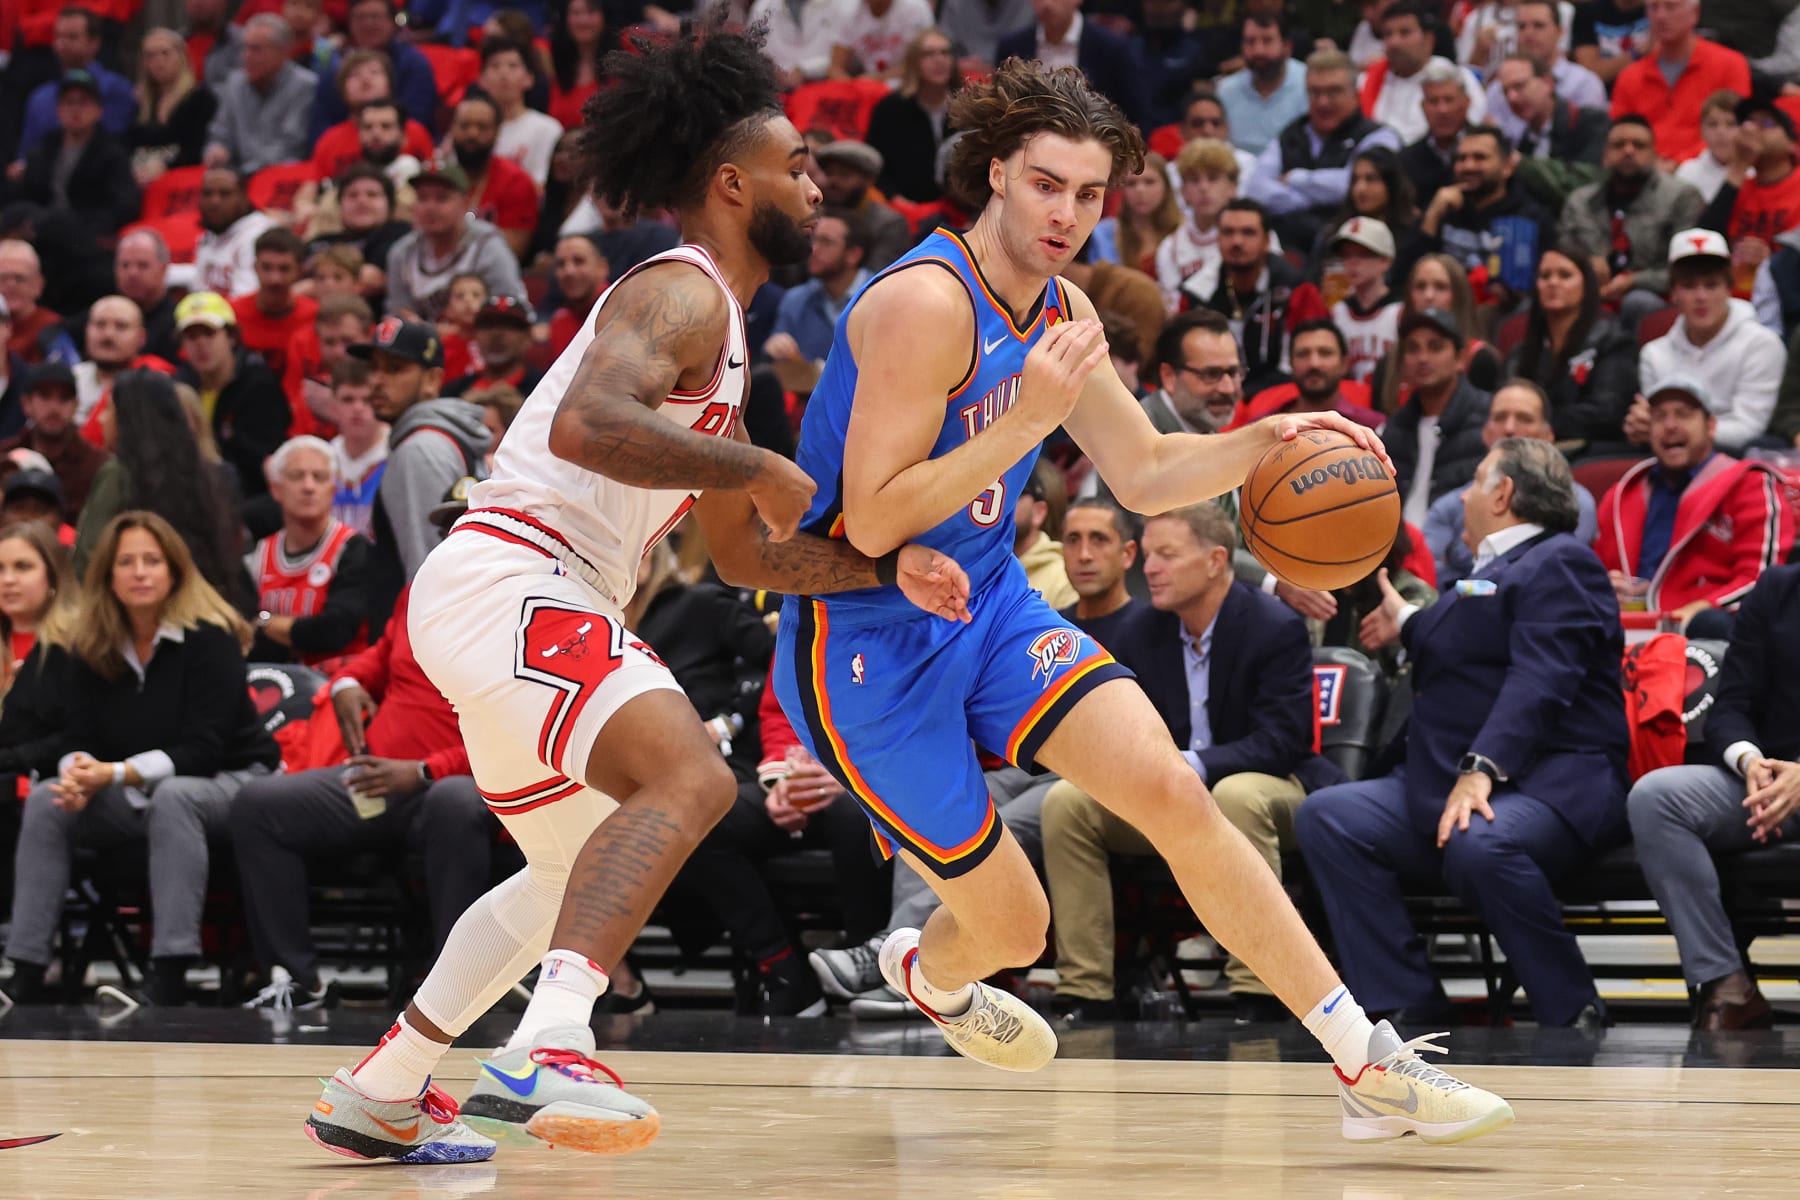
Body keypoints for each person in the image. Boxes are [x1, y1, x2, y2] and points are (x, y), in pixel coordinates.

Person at [776, 56, 1511, 1140]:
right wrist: (1027, 421)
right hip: (867, 646)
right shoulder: (921, 305)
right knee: (1014, 930)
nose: (1069, 213)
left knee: (1171, 788)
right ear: (993, 174)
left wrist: (1270, 435)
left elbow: (1147, 473)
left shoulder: (1062, 304)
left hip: (985, 606)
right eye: (1046, 185)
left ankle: (1367, 1064)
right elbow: (876, 521)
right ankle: (926, 972)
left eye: (1089, 193)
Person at [305, 18, 975, 1164]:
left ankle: (387, 1082)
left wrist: (883, 567)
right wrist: (761, 464)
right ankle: (549, 1045)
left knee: (574, 864)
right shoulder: (683, 290)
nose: (815, 183)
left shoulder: (726, 342)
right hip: (517, 572)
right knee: (690, 775)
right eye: (796, 165)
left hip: (517, 596)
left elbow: (745, 558)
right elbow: (587, 424)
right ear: (731, 182)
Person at [1300, 437, 1627, 1031]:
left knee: (1481, 845)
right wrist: (1406, 620)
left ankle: (1571, 1008)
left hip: (1550, 777)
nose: (1464, 495)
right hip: (1447, 776)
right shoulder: (1487, 568)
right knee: (1330, 816)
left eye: (1477, 481)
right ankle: (1406, 1001)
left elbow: (1541, 678)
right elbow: (1467, 634)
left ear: (1504, 494)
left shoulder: (1562, 561)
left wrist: (1482, 767)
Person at [1042, 502, 1345, 1024]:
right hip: (1181, 794)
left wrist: (1193, 764)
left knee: (1236, 796)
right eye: (1149, 555)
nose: (1149, 567)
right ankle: (1086, 990)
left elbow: (1282, 741)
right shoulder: (1143, 630)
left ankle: (1259, 989)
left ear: (1214, 561)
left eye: (1167, 555)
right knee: (1068, 803)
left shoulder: (1273, 625)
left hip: (1278, 788)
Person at [3, 510, 279, 1006]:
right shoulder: (93, 645)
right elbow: (78, 736)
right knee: (48, 799)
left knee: (175, 798)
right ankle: (24, 972)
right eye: (126, 561)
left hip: (233, 780)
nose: (139, 571)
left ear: (174, 570)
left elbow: (203, 750)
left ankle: (169, 972)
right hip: (134, 788)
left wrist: (110, 773)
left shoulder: (207, 637)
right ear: (107, 575)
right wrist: (76, 773)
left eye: (152, 560)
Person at [233, 581, 502, 1011]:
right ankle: (297, 981)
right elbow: (380, 655)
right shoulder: (420, 589)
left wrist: (424, 771)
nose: (457, 534)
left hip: (459, 784)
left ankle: (455, 988)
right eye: (450, 525)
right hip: (376, 780)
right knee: (260, 804)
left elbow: (520, 737)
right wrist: (346, 683)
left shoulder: (522, 603)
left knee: (455, 801)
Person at [1627, 563, 1800, 1030]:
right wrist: (1750, 762)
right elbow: (1732, 706)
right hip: (1765, 785)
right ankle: (1727, 982)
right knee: (1657, 797)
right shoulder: (1778, 588)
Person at [1594, 376, 1793, 632]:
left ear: (1710, 426)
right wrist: (1605, 587)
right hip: (1626, 631)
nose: (1670, 426)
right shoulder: (1623, 493)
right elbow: (1594, 570)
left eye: (1683, 414)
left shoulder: (1750, 485)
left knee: (1711, 624)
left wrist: (1697, 610)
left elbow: (1762, 583)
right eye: (1659, 416)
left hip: (1709, 637)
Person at [74, 370, 246, 609]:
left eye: (108, 409)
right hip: (200, 607)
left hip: (130, 615)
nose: (102, 420)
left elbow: (89, 558)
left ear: (128, 418)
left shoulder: (118, 473)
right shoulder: (209, 474)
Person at [1422, 379, 1599, 589]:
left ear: (1548, 436)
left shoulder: (1576, 501)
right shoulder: (1450, 505)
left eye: (1524, 418)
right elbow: (1426, 578)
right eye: (1500, 417)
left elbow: (1551, 576)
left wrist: (1462, 581)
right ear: (1485, 433)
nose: (1509, 428)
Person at [1637, 230, 1787, 453]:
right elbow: (1656, 423)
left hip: (1736, 461)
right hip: (1672, 458)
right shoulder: (1653, 354)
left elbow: (1750, 427)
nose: (1701, 297)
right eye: (1688, 286)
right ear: (1674, 293)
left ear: (1729, 289)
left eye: (1711, 285)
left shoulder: (1763, 344)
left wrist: (1669, 429)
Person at [1558, 115, 1706, 331]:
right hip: (1592, 291)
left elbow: (1688, 268)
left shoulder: (1681, 196)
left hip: (1654, 295)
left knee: (1637, 302)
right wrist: (1584, 264)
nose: (1628, 151)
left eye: (1639, 145)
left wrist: (1635, 280)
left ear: (1654, 154)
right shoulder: (1580, 201)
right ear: (1605, 155)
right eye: (1618, 145)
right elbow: (1561, 257)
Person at [1247, 49, 1401, 250]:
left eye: (1333, 92)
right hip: (1284, 246)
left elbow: (1353, 185)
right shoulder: (1291, 135)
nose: (1323, 102)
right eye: (1315, 92)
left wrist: (1295, 179)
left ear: (1355, 94)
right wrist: (1309, 199)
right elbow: (1256, 189)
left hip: (1349, 247)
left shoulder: (1378, 136)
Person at [247, 435, 371, 667]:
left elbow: (335, 630)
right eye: (296, 476)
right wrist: (306, 634)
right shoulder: (257, 555)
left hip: (338, 685)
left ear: (333, 489)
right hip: (272, 683)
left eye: (319, 477)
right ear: (276, 489)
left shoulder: (354, 550)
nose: (308, 486)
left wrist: (265, 623)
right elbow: (244, 635)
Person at [1504, 245, 1640, 448]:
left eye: (1565, 275)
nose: (1553, 282)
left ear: (1586, 285)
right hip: (1526, 450)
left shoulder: (1613, 342)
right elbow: (1502, 405)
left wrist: (1537, 422)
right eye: (1545, 276)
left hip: (1589, 451)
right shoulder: (1521, 353)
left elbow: (1608, 412)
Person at [167, 291, 291, 498]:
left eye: (209, 333)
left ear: (232, 337)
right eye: (191, 336)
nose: (200, 344)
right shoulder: (178, 387)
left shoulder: (259, 387)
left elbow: (258, 465)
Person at [1197, 198, 1327, 395]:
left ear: (1267, 241)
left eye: (1248, 232)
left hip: (1279, 394)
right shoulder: (1197, 291)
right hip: (1213, 392)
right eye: (1228, 232)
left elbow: (1308, 357)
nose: (1237, 241)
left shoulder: (1297, 288)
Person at [1387, 307, 1494, 529]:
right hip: (1400, 548)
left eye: (1435, 347)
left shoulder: (1490, 418)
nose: (1422, 358)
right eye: (1413, 349)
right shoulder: (1395, 427)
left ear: (1461, 358)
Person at [1422, 126, 1557, 302]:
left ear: (1507, 167)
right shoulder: (1443, 207)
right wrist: (1431, 216)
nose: (1468, 166)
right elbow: (1406, 275)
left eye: (1480, 157)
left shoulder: (1532, 218)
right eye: (1461, 158)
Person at [384, 158, 528, 323]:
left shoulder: (487, 245)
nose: (430, 207)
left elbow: (511, 312)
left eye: (441, 198)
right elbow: (397, 315)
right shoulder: (402, 252)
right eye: (422, 198)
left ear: (465, 202)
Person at [1609, 0, 1750, 165]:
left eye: (1671, 6)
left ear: (1695, 13)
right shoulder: (1630, 76)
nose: (1661, 16)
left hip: (1710, 168)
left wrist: (1679, 163)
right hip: (1645, 173)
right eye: (1654, 7)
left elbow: (1737, 129)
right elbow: (1618, 135)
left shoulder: (1730, 65)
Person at [13, 70, 142, 238]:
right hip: (42, 234)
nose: (75, 109)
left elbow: (123, 207)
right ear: (58, 110)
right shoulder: (41, 151)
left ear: (99, 110)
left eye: (84, 102)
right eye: (69, 102)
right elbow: (26, 197)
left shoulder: (113, 154)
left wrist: (84, 227)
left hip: (87, 239)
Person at [993, 0, 1151, 129]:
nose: (1047, 4)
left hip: (1094, 142)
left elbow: (1134, 114)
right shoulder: (1012, 46)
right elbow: (1002, 107)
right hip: (1028, 139)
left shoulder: (1113, 48)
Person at [1699, 96, 1800, 295]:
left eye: (1766, 123)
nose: (1752, 130)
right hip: (1730, 302)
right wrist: (1739, 166)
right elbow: (1702, 246)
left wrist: (1773, 262)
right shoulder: (1738, 185)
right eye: (1748, 122)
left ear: (1792, 143)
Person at [12, 7, 137, 163]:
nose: (62, 44)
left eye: (72, 37)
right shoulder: (40, 97)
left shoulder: (117, 89)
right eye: (58, 36)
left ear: (95, 43)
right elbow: (26, 154)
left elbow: (117, 145)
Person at [765, 208, 869, 392]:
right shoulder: (796, 299)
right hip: (810, 406)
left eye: (826, 242)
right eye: (813, 239)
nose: (813, 249)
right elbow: (779, 362)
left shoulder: (880, 298)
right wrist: (776, 346)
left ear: (854, 255)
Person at [1357, 1, 1485, 146]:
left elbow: (1473, 130)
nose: (1394, 42)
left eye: (1404, 32)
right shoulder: (1366, 81)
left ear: (1428, 40)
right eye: (1388, 34)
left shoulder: (1457, 78)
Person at [202, 14, 316, 173]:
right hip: (238, 177)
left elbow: (291, 146)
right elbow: (220, 134)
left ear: (283, 51)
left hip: (280, 174)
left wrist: (245, 171)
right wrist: (216, 150)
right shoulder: (234, 83)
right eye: (245, 47)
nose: (246, 56)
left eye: (256, 49)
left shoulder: (304, 85)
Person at [863, 28, 960, 205]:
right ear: (913, 63)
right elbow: (874, 165)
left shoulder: (967, 106)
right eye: (929, 54)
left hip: (959, 207)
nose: (939, 60)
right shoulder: (890, 109)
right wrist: (895, 198)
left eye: (945, 53)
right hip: (904, 207)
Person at [1484, 1, 1608, 137]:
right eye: (1521, 27)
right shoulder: (1498, 88)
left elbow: (1590, 139)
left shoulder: (1584, 84)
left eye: (1538, 26)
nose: (1528, 34)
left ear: (1559, 32)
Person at [1235, 318, 1385, 430]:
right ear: (1291, 364)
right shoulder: (1262, 428)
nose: (1314, 363)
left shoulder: (1373, 425)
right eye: (1303, 354)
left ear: (1345, 364)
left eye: (1325, 353)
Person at [0, 363, 109, 515]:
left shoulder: (96, 465)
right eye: (45, 396)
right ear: (26, 403)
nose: (54, 407)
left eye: (64, 398)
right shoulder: (4, 456)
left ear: (75, 406)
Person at [444, 94, 542, 262]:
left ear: (497, 132)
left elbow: (512, 250)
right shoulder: (438, 179)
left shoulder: (516, 181)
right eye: (464, 126)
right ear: (452, 129)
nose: (472, 134)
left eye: (482, 127)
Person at [1155, 138, 1238, 315]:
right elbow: (1173, 312)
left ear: (1232, 187)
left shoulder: (1256, 234)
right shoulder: (1171, 248)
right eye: (1194, 180)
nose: (1204, 188)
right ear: (1183, 191)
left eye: (1213, 178)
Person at [1216, 10, 1308, 157]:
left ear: (1287, 47)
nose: (1258, 51)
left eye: (1267, 41)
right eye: (1250, 42)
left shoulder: (1309, 84)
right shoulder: (1226, 90)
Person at [1490, 52, 1608, 166]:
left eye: (1519, 86)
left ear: (1548, 83)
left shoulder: (1591, 123)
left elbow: (1585, 178)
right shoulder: (1525, 140)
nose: (1512, 98)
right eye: (1505, 91)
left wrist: (1521, 163)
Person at [812, 140, 914, 271]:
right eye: (829, 173)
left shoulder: (888, 224)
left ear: (868, 180)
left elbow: (879, 274)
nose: (834, 181)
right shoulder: (813, 217)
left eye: (844, 174)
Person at [230, 228, 317, 380]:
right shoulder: (231, 314)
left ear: (299, 271)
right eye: (267, 267)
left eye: (284, 269)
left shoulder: (315, 316)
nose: (274, 279)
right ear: (255, 267)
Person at [478, 37, 562, 189]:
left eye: (513, 66)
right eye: (495, 66)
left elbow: (540, 187)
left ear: (529, 79)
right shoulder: (470, 127)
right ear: (481, 80)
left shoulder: (546, 129)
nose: (503, 74)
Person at [1328, 217, 1401, 382]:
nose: (1353, 263)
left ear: (1385, 261)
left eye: (1362, 254)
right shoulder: (1337, 313)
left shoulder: (1400, 311)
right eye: (1346, 255)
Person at [1398, 60, 1475, 207]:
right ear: (1423, 107)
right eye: (1433, 101)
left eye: (1449, 100)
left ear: (1467, 103)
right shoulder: (1406, 160)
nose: (1442, 110)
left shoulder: (1487, 149)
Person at [194, 165, 278, 298]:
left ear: (244, 197)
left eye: (225, 194)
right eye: (207, 193)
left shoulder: (261, 235)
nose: (214, 201)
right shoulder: (211, 232)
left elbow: (247, 297)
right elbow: (198, 287)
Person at [0, 519, 73, 669]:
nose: (8, 579)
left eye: (23, 567)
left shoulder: (80, 645)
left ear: (53, 576)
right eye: (0, 569)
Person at [326, 357, 387, 536]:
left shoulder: (398, 455)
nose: (358, 408)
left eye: (367, 400)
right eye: (348, 399)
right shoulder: (322, 460)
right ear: (332, 405)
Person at [441, 297, 543, 399]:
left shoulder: (544, 390)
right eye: (487, 324)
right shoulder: (454, 393)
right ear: (474, 335)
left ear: (528, 337)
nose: (496, 333)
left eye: (509, 325)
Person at [1097, 152, 1181, 275]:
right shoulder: (1102, 234)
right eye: (1131, 184)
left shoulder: (1184, 231)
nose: (1140, 190)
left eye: (1149, 182)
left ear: (1166, 187)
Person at [0, 242, 77, 369]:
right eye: (3, 278)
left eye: (20, 278)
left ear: (39, 284)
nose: (11, 285)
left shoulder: (54, 328)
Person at [114, 229, 181, 362]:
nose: (132, 273)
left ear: (163, 269)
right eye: (125, 265)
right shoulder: (102, 316)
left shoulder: (178, 324)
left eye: (142, 265)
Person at [832, 0, 935, 82]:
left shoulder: (916, 8)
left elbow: (923, 60)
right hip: (864, 84)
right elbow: (835, 67)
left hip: (906, 83)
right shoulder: (848, 10)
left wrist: (878, 79)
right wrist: (854, 88)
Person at [546, 234, 607, 359]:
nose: (569, 271)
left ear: (602, 268)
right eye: (561, 264)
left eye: (579, 261)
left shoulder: (623, 311)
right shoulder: (559, 322)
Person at [1674, 90, 1740, 204]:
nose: (1721, 132)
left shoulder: (1756, 172)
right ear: (1701, 131)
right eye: (1712, 124)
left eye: (1731, 124)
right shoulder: (1688, 172)